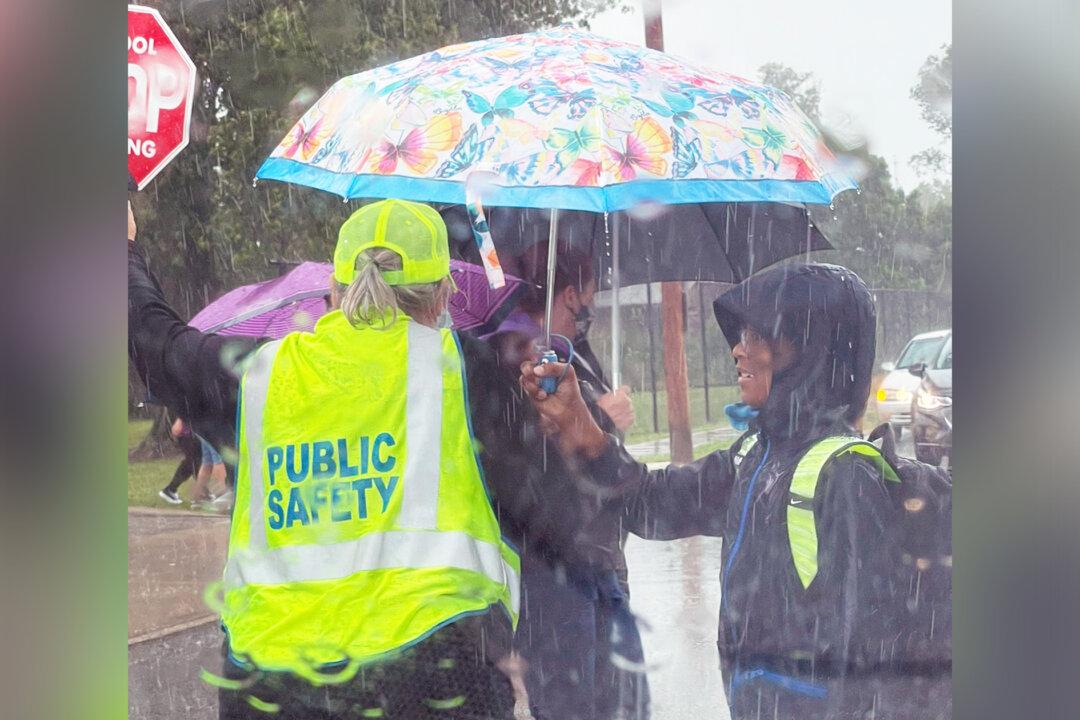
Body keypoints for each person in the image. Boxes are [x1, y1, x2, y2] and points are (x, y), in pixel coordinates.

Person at [129, 198, 596, 720]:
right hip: (438, 680)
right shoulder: (473, 373)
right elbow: (556, 524)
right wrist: (565, 428)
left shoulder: (254, 376)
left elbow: (157, 345)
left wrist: (122, 253)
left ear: (335, 290)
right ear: (442, 293)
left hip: (273, 686)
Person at [522, 263, 946, 720]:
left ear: (808, 354)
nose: (738, 351)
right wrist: (578, 424)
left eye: (757, 337)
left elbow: (867, 656)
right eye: (740, 336)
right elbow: (646, 502)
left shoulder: (842, 475)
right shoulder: (756, 455)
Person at [486, 242, 648, 720]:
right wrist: (602, 417)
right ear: (571, 292)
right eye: (588, 298)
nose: (589, 312)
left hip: (595, 563)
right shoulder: (512, 356)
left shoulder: (567, 352)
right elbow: (520, 460)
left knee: (622, 704)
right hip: (555, 572)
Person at [158, 416, 204, 505]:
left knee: (195, 461)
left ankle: (171, 490)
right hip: (187, 432)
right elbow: (184, 404)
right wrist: (180, 420)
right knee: (193, 461)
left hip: (197, 430)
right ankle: (171, 490)